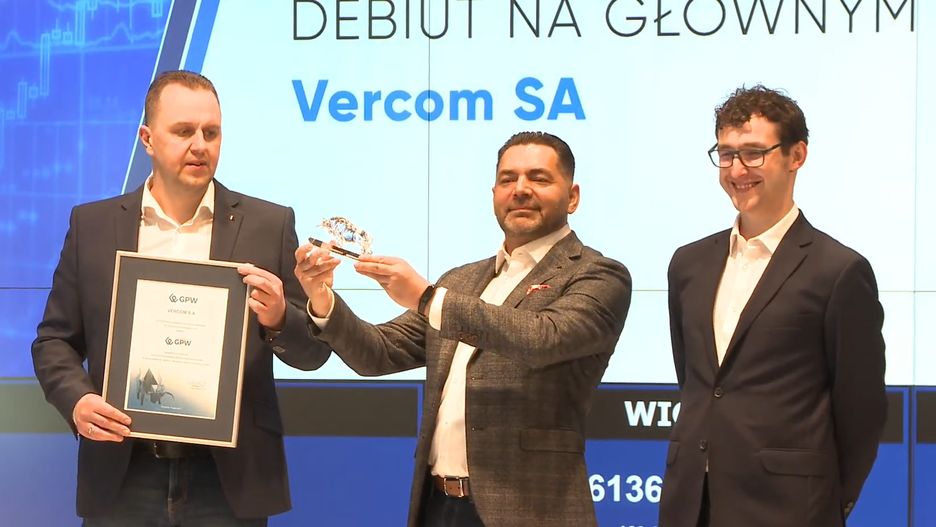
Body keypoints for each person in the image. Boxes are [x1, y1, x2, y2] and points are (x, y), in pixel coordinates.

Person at [31, 70, 332, 526]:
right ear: (147, 139)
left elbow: (312, 353)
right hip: (123, 471)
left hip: (229, 479)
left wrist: (277, 319)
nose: (200, 145)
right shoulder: (92, 226)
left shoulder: (268, 225)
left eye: (211, 132)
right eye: (184, 131)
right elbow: (54, 341)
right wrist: (77, 400)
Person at [294, 131, 631, 527]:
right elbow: (378, 353)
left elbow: (544, 338)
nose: (521, 189)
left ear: (572, 197)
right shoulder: (462, 280)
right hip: (439, 506)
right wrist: (321, 297)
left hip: (532, 510)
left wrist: (426, 297)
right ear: (494, 194)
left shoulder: (597, 274)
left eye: (539, 178)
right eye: (508, 179)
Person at [658, 85, 887, 527]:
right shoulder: (688, 263)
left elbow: (862, 410)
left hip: (790, 508)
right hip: (690, 504)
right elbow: (695, 380)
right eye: (726, 154)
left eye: (753, 153)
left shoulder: (839, 270)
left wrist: (828, 501)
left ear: (796, 155)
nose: (736, 170)